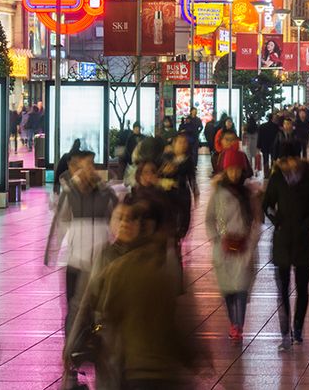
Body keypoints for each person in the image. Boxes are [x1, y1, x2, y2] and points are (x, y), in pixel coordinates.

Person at [66, 197, 200, 389]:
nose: (124, 224)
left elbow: (175, 312)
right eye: (119, 218)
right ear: (111, 222)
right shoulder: (104, 256)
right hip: (111, 352)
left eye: (131, 219)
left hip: (142, 358)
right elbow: (84, 303)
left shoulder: (155, 260)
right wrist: (72, 344)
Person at [44, 150, 116, 335]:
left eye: (91, 165)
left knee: (100, 306)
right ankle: (72, 345)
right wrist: (51, 254)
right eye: (84, 165)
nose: (88, 169)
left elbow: (116, 220)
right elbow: (60, 224)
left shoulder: (105, 192)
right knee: (74, 306)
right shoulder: (70, 194)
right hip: (77, 260)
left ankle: (97, 343)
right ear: (74, 168)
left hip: (101, 261)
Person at [262, 151, 309, 349]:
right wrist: (276, 221)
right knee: (283, 289)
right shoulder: (277, 178)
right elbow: (267, 204)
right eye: (284, 159)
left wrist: (304, 225)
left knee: (303, 288)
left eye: (289, 158)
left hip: (303, 240)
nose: (286, 162)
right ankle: (285, 332)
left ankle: (298, 327)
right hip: (282, 240)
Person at [205, 151, 261, 340]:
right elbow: (209, 219)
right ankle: (233, 322)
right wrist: (216, 239)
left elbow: (256, 220)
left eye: (238, 169)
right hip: (224, 248)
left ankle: (239, 324)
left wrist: (252, 242)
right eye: (231, 169)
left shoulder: (248, 193)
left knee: (242, 288)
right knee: (228, 289)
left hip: (244, 247)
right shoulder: (218, 193)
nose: (234, 173)